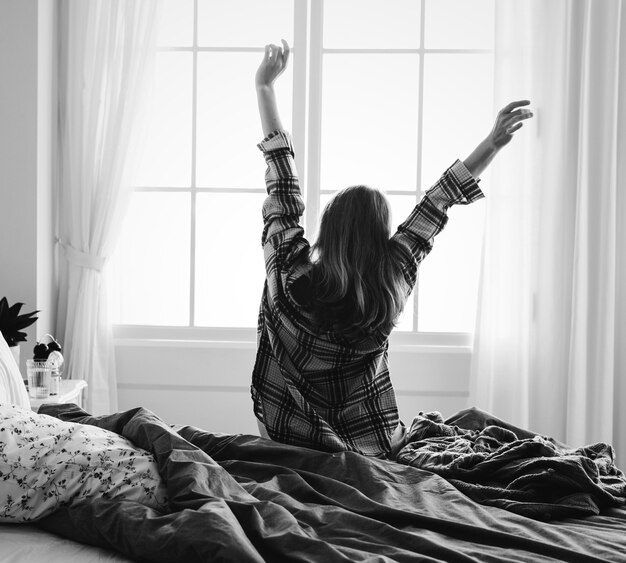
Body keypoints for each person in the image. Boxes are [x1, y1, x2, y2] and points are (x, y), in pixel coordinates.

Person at [251, 40, 533, 459]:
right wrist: (492, 142)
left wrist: (264, 87)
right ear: (380, 238)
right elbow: (439, 200)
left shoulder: (289, 274)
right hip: (373, 446)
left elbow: (283, 179)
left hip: (290, 438)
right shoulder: (392, 277)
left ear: (328, 231)